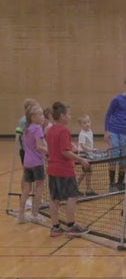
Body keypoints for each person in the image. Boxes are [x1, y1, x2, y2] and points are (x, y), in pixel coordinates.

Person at [46, 101, 90, 237]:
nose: (70, 117)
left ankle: (55, 227)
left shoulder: (50, 130)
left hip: (52, 169)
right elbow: (65, 151)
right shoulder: (64, 130)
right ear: (62, 116)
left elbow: (57, 147)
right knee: (72, 196)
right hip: (64, 170)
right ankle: (71, 226)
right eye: (69, 114)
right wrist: (81, 160)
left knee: (55, 199)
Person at [104, 77, 126, 192]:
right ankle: (112, 183)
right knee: (114, 157)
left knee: (124, 158)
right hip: (114, 132)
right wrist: (106, 131)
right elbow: (108, 115)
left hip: (125, 134)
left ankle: (120, 183)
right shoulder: (117, 100)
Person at [19, 104, 48, 224]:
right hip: (37, 162)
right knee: (39, 188)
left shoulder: (27, 128)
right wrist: (51, 151)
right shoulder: (37, 128)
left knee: (26, 189)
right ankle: (35, 214)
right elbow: (39, 146)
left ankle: (21, 215)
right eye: (40, 114)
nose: (43, 117)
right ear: (32, 117)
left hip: (27, 162)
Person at [77, 115, 97, 196]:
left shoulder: (90, 131)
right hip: (83, 155)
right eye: (84, 123)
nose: (87, 124)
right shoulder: (82, 134)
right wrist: (91, 150)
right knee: (87, 171)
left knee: (87, 172)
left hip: (89, 155)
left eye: (88, 122)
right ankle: (87, 189)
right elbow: (82, 146)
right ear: (81, 125)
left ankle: (79, 186)